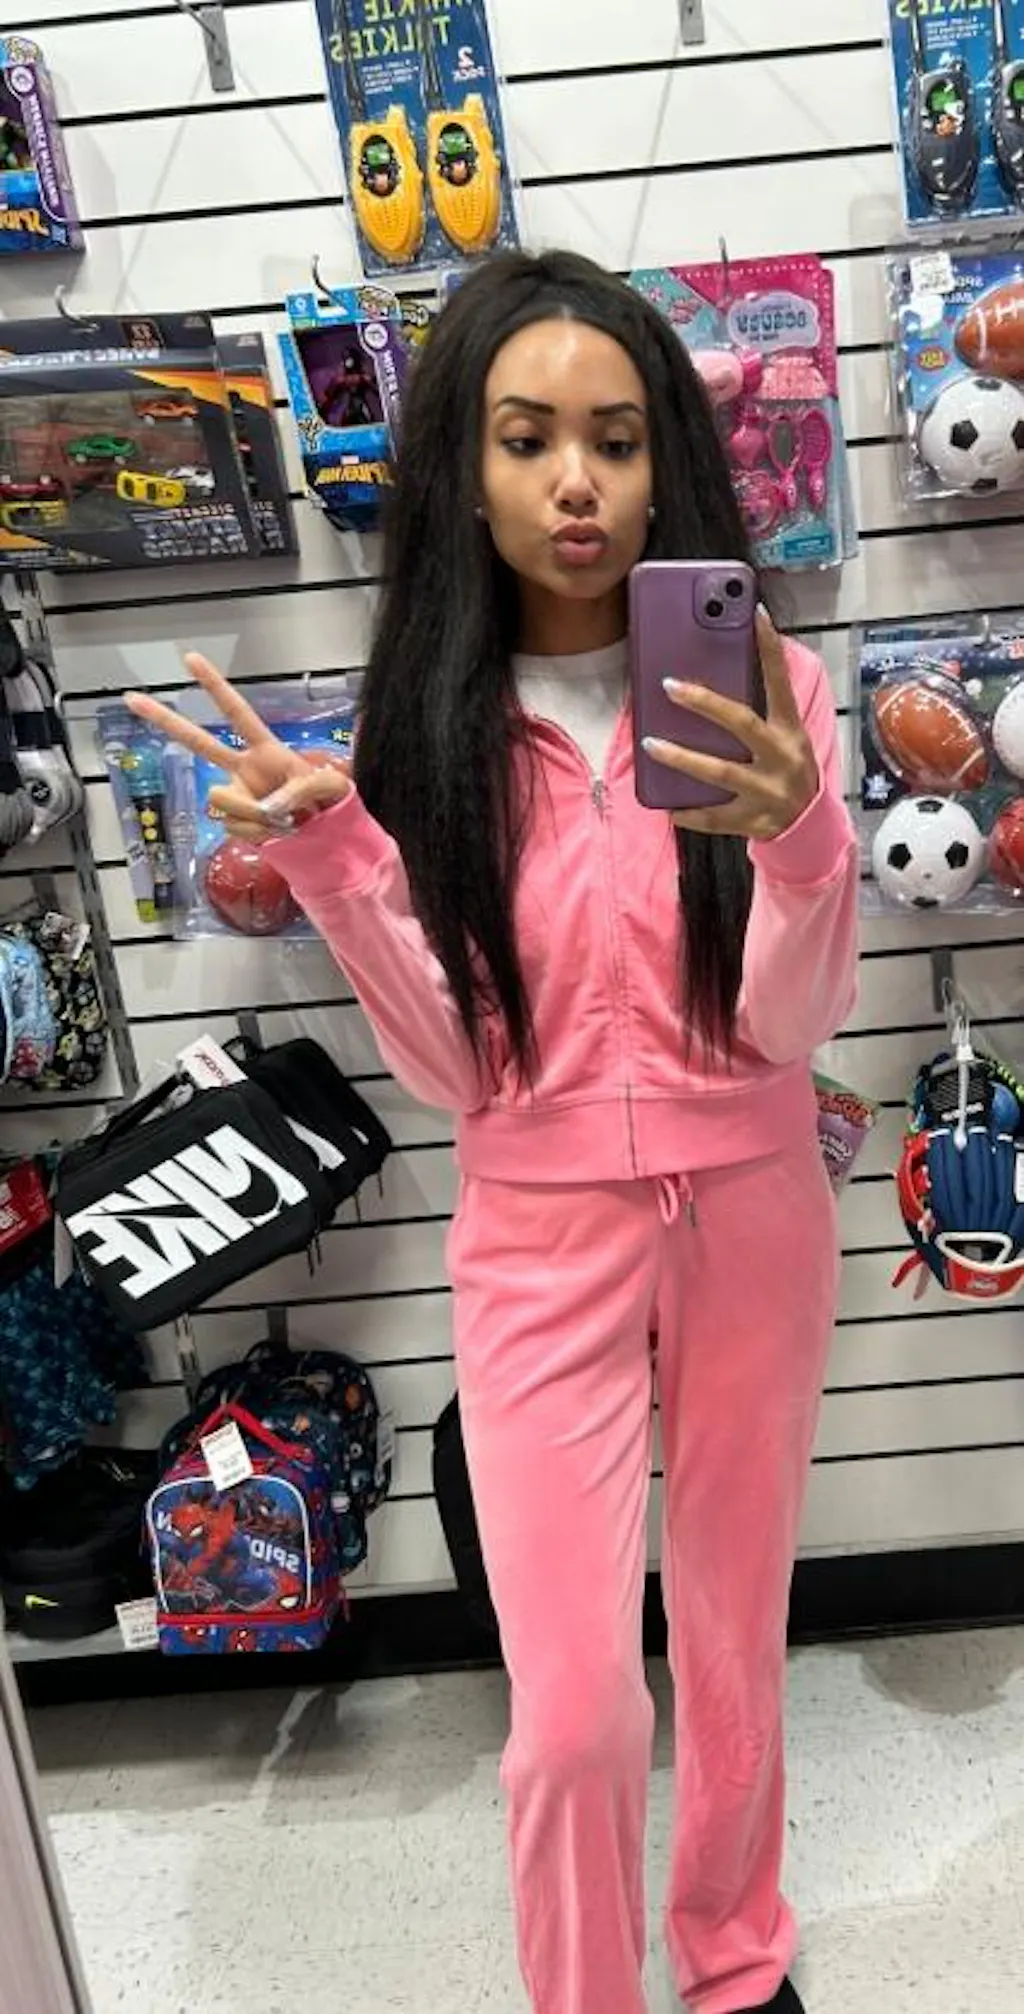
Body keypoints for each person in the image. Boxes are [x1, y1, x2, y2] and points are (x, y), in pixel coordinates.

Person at [128, 249, 859, 2014]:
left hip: (755, 1205)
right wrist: (338, 860)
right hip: (538, 1243)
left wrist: (800, 836)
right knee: (572, 1711)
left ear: (666, 465)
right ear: (467, 469)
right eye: (528, 439)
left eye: (616, 438)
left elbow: (790, 1025)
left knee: (736, 1637)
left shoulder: (765, 690)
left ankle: (734, 1956)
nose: (576, 482)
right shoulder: (430, 725)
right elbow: (459, 1076)